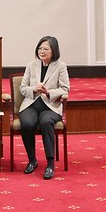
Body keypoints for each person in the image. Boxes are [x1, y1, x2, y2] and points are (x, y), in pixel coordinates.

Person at [18, 35, 69, 180]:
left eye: (46, 49)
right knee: (27, 123)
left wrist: (48, 92)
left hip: (51, 106)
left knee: (46, 122)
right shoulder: (31, 65)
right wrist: (34, 89)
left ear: (53, 51)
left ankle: (50, 164)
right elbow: (22, 88)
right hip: (31, 104)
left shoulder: (61, 66)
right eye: (40, 48)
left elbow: (65, 89)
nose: (42, 51)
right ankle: (32, 160)